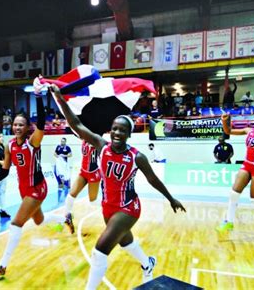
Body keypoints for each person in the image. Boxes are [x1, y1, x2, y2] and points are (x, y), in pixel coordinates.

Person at [50, 84, 186, 289]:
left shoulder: (136, 157)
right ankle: (147, 264)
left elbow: (153, 179)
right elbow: (76, 124)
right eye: (114, 128)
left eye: (122, 130)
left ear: (129, 134)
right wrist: (59, 98)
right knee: (125, 242)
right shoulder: (101, 146)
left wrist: (170, 198)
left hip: (128, 208)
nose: (117, 133)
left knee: (99, 251)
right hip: (108, 206)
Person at [0, 77, 64, 279]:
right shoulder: (9, 146)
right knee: (40, 221)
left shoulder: (33, 142)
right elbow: (5, 171)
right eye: (15, 124)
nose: (16, 127)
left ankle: (2, 267)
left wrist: (39, 96)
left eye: (21, 125)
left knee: (16, 224)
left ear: (26, 128)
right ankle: (65, 218)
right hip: (24, 189)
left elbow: (41, 123)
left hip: (37, 188)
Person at [217, 111, 254, 231]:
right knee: (233, 194)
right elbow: (228, 131)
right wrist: (224, 121)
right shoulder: (248, 131)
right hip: (247, 165)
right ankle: (229, 221)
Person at [64, 139, 101, 234]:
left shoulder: (97, 139)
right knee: (71, 195)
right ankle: (67, 218)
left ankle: (111, 208)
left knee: (93, 201)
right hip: (83, 172)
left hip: (93, 173)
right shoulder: (84, 138)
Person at [54, 137, 72, 203]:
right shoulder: (58, 147)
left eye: (63, 141)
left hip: (64, 166)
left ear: (65, 142)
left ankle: (66, 198)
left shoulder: (67, 147)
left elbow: (70, 155)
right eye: (61, 141)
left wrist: (64, 156)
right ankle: (59, 199)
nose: (62, 142)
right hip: (59, 166)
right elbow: (55, 153)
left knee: (66, 181)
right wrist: (58, 156)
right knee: (60, 183)